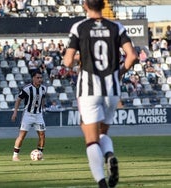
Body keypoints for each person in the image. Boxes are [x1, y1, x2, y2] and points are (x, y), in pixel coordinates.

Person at [63, 0, 137, 187]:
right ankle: (109, 154)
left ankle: (102, 182)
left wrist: (80, 57)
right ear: (103, 6)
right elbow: (132, 56)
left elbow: (67, 61)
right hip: (111, 89)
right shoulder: (116, 27)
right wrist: (119, 73)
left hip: (89, 89)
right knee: (102, 132)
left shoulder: (79, 27)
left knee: (91, 139)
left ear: (85, 5)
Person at [11, 70, 47, 161]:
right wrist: (15, 112)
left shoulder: (43, 88)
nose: (40, 79)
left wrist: (43, 108)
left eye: (41, 78)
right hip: (28, 115)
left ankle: (40, 154)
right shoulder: (27, 89)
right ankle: (15, 156)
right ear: (33, 78)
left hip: (38, 115)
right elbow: (18, 100)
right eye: (38, 78)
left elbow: (42, 99)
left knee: (42, 135)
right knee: (22, 135)